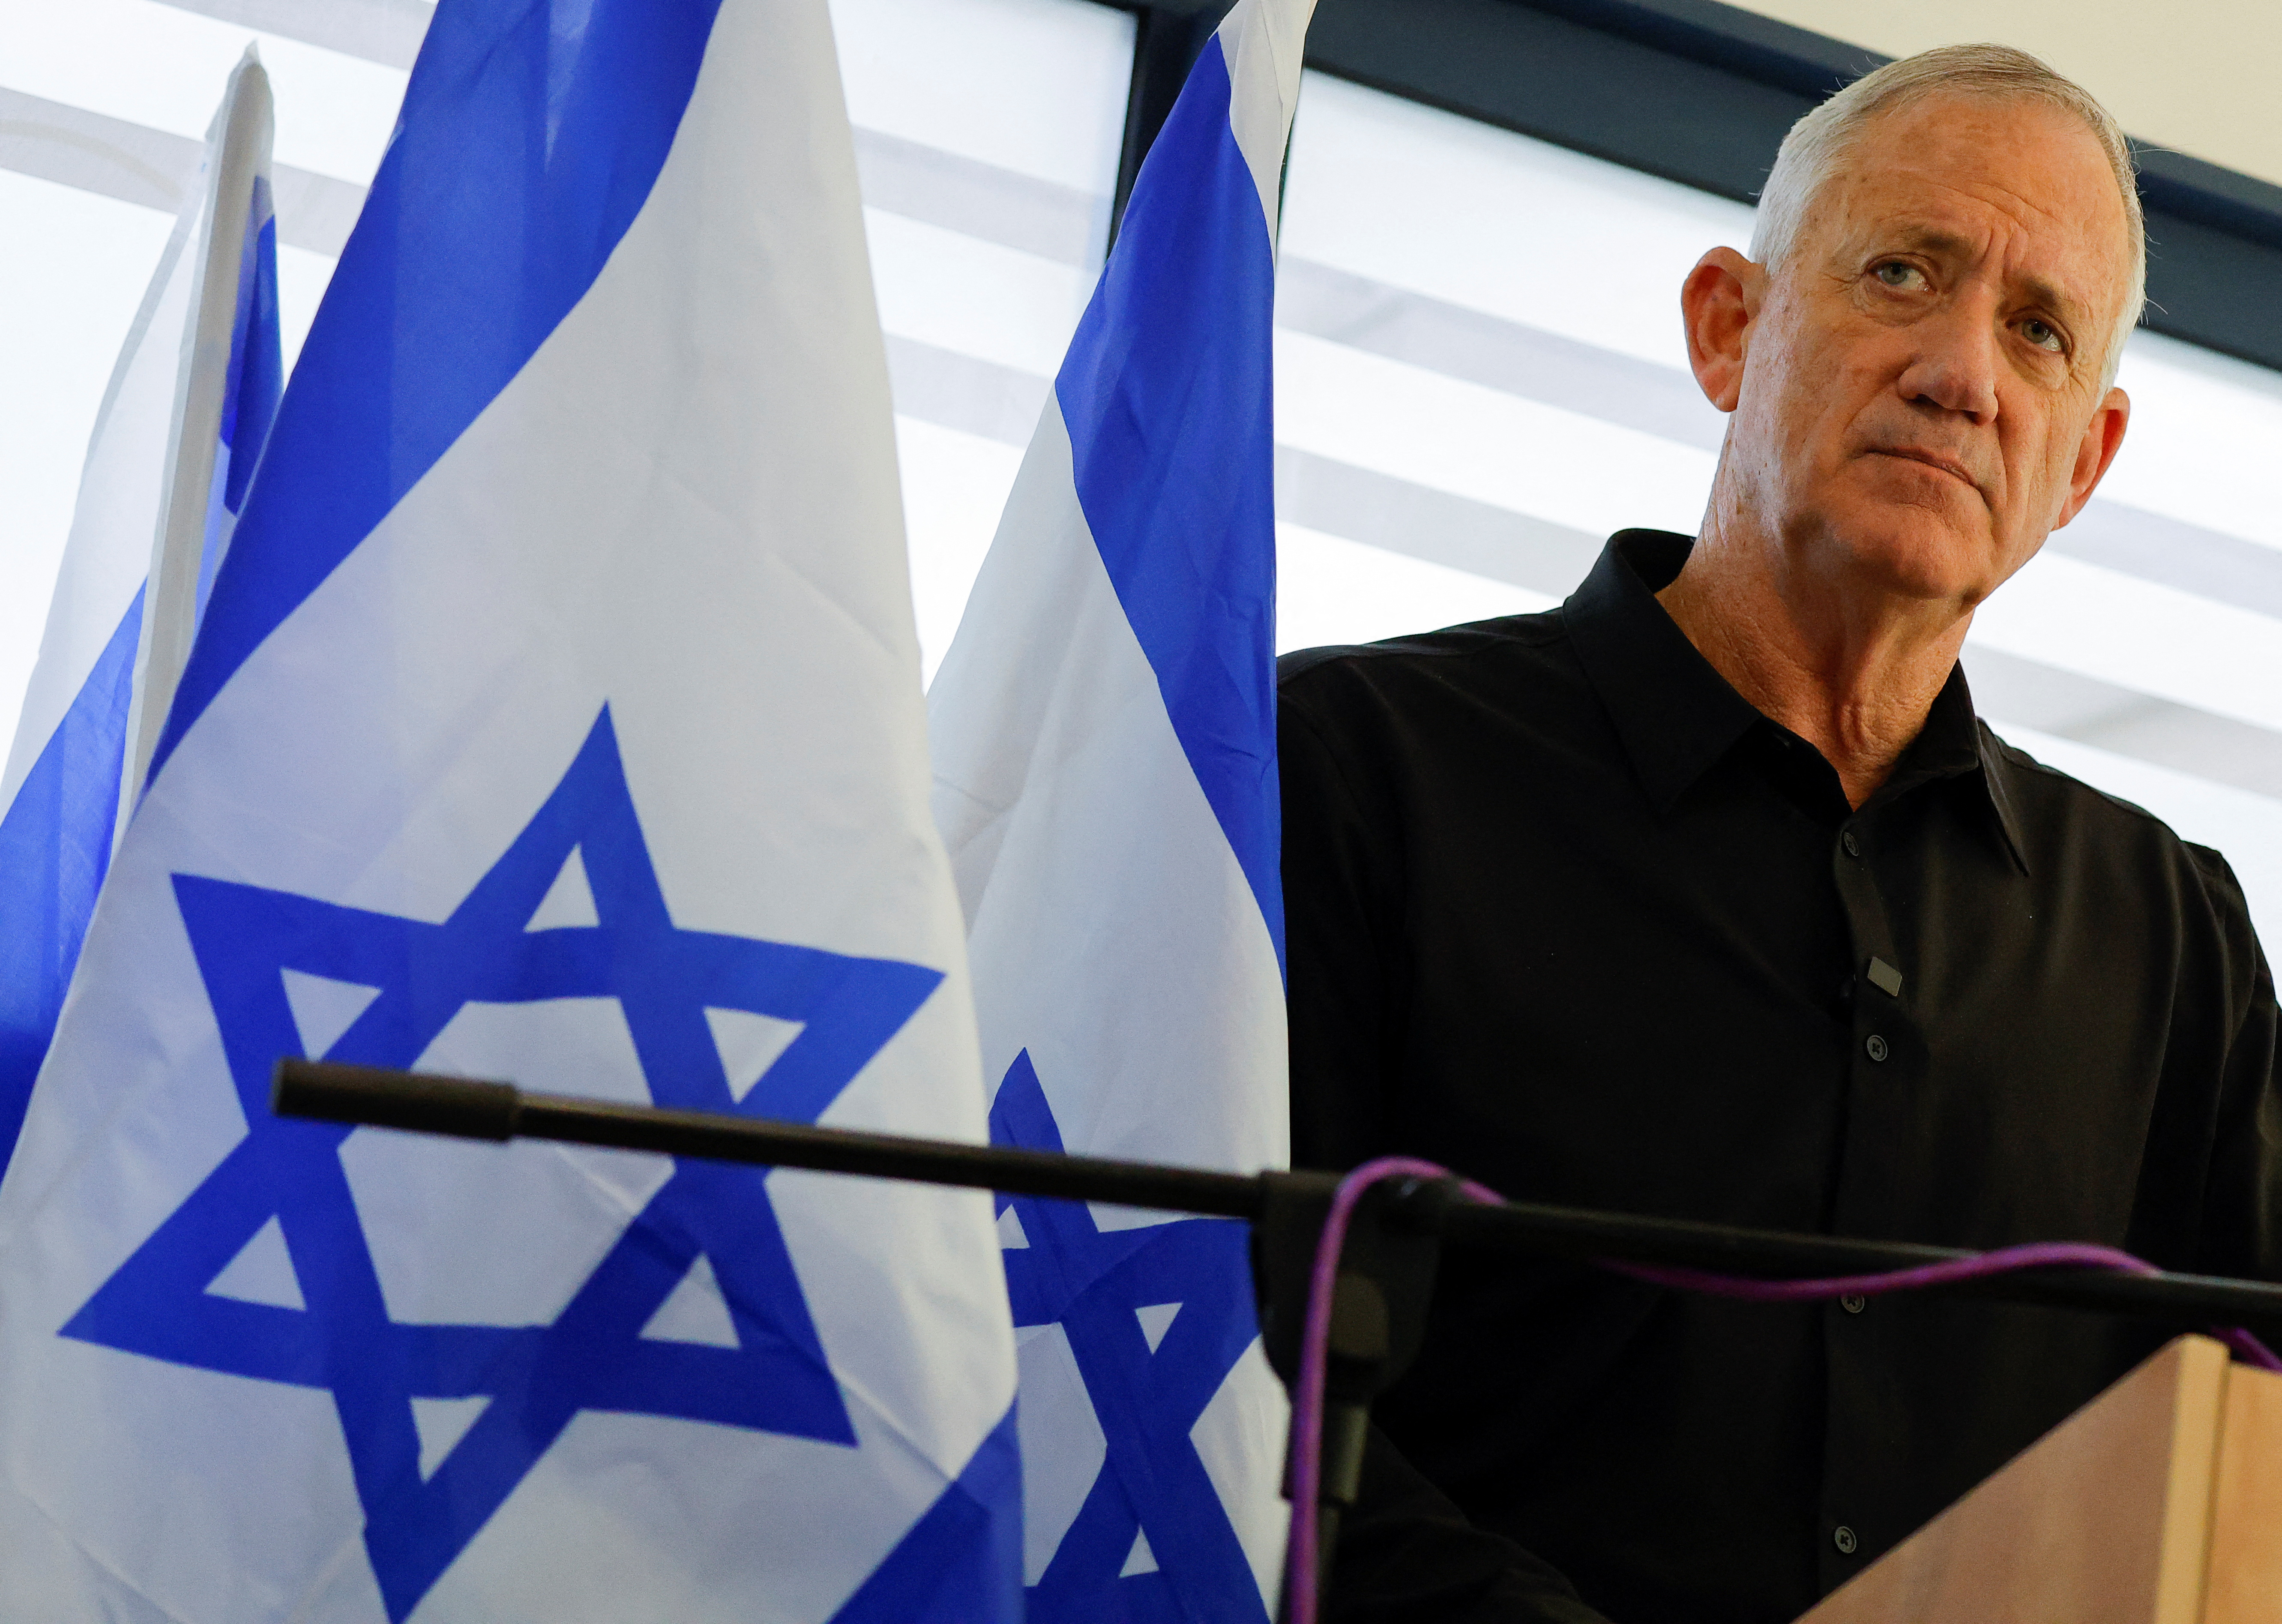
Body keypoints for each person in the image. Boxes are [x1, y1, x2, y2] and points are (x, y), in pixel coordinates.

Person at [1279, 43, 2282, 1624]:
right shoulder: (1342, 771)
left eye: (2038, 333)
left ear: (2080, 463)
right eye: (1904, 273)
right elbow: (1215, 1364)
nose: (1965, 374)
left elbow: (2251, 1464)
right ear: (1727, 330)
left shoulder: (2171, 944)